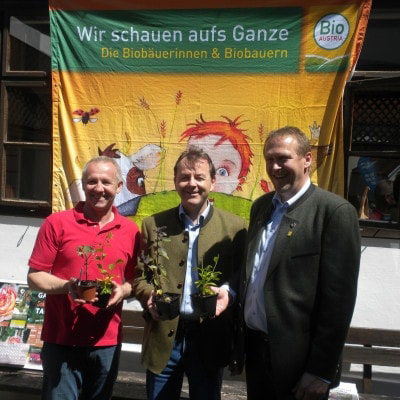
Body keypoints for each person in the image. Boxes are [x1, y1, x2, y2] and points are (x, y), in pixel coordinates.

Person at [241, 126, 360, 400]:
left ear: (307, 159)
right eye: (269, 158)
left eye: (283, 158)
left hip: (300, 366)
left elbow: (338, 302)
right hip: (258, 353)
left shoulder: (334, 213)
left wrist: (321, 371)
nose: (274, 166)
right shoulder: (260, 208)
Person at [133, 147, 247, 400]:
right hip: (165, 337)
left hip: (209, 337)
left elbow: (242, 275)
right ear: (175, 182)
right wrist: (149, 295)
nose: (191, 184)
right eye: (184, 177)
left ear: (213, 181)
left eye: (199, 177)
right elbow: (138, 276)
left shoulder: (235, 228)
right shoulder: (154, 225)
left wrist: (228, 292)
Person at [27, 156, 140, 400]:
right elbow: (35, 277)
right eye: (92, 182)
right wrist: (67, 286)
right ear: (83, 185)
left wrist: (123, 290)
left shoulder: (131, 231)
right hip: (61, 340)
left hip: (106, 341)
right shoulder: (57, 223)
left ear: (119, 187)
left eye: (106, 182)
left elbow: (134, 280)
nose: (99, 188)